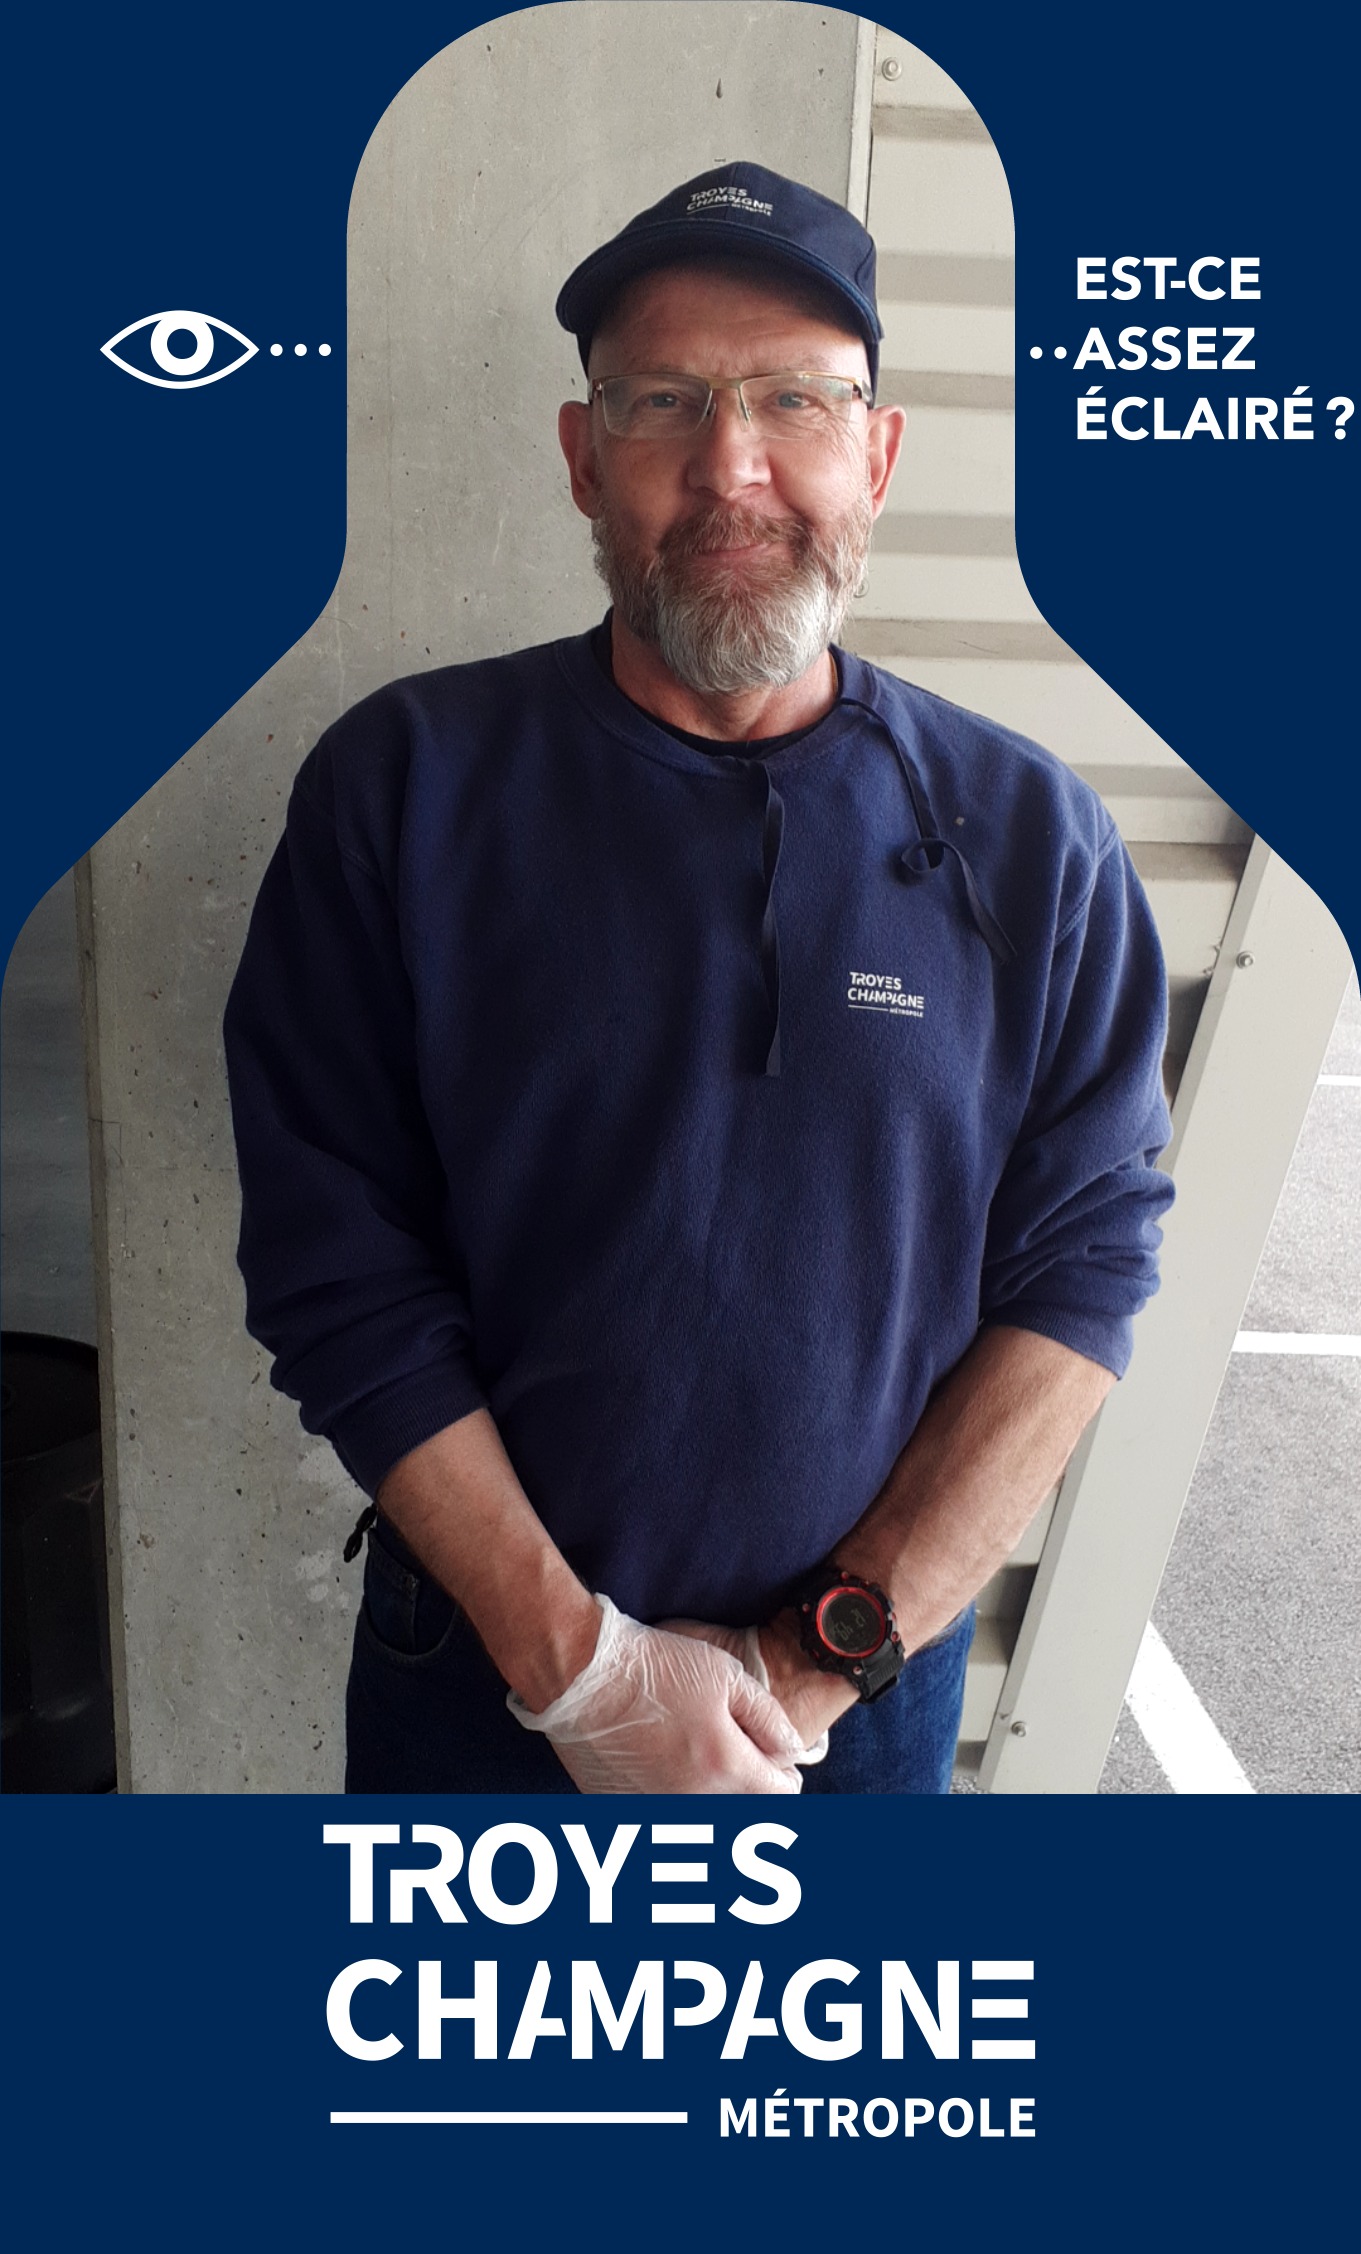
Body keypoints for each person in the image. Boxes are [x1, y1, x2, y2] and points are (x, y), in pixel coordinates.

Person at [223, 162, 1174, 1796]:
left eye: (797, 399)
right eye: (662, 399)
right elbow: (333, 1259)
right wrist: (580, 1669)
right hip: (483, 1675)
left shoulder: (1031, 837)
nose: (731, 465)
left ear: (877, 455)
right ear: (582, 457)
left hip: (859, 1697)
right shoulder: (403, 788)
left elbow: (1081, 1272)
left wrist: (817, 1661)